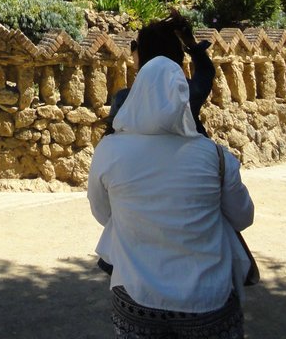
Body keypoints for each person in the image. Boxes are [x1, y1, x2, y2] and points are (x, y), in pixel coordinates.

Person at [88, 57, 254, 339]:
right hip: (207, 300)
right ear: (182, 97)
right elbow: (243, 216)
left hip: (135, 294)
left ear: (138, 93)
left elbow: (103, 213)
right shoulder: (213, 156)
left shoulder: (109, 151)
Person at [107, 12, 215, 135]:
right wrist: (192, 46)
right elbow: (206, 71)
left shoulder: (123, 100)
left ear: (142, 55)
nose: (132, 51)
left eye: (134, 46)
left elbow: (112, 137)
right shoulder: (189, 92)